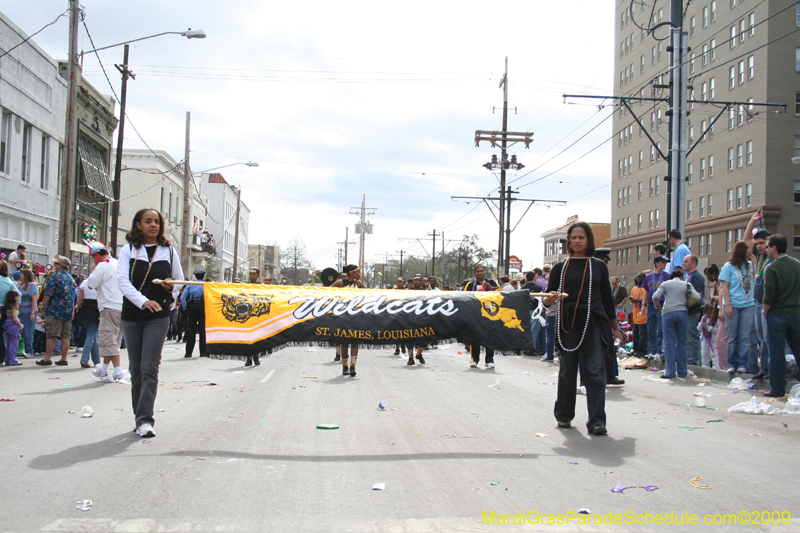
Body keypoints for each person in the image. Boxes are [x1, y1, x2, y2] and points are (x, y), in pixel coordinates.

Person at [544, 221, 622, 436]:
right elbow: (546, 300)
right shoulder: (560, 267)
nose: (577, 241)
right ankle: (564, 416)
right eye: (573, 237)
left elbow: (607, 299)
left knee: (595, 373)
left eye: (581, 237)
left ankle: (597, 421)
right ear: (569, 241)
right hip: (568, 324)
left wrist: (615, 328)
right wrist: (551, 299)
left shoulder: (598, 266)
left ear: (589, 240)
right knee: (567, 372)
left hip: (594, 324)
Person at [117, 208, 183, 438]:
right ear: (138, 225)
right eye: (148, 221)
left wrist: (170, 287)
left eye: (156, 222)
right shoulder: (127, 251)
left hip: (158, 317)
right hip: (132, 316)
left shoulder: (169, 251)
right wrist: (143, 302)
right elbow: (123, 283)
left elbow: (178, 282)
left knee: (149, 368)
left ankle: (146, 420)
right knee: (135, 369)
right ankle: (139, 417)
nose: (153, 225)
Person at [762, 234, 800, 397]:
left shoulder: (771, 268)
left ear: (774, 248)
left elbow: (769, 294)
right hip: (796, 313)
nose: (766, 249)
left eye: (768, 246)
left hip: (777, 315)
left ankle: (777, 389)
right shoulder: (797, 264)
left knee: (777, 353)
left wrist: (765, 311)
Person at [87, 244, 126, 382]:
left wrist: (93, 271)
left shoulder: (103, 265)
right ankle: (104, 369)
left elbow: (91, 283)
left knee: (108, 340)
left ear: (96, 256)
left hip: (109, 306)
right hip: (121, 306)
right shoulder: (117, 263)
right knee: (114, 339)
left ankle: (117, 371)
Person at [653, 269, 701, 379]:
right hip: (683, 313)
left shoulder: (665, 284)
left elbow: (655, 297)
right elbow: (697, 297)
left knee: (669, 343)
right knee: (682, 342)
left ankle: (670, 372)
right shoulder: (686, 284)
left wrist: (657, 307)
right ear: (681, 276)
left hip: (668, 313)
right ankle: (682, 371)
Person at [718, 241, 755, 374]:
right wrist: (727, 305)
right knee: (733, 336)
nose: (751, 252)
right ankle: (732, 363)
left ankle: (743, 363)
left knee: (745, 336)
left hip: (748, 305)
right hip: (732, 304)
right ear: (742, 251)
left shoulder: (750, 266)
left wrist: (755, 263)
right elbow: (724, 287)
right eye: (748, 250)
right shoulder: (729, 267)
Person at [744, 209, 771, 379]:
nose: (759, 246)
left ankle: (768, 369)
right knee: (760, 337)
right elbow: (747, 240)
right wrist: (752, 221)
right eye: (758, 243)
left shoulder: (771, 259)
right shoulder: (758, 257)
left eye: (762, 243)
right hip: (757, 301)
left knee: (768, 338)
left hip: (766, 303)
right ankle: (763, 369)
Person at [35, 256, 76, 366]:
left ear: (60, 265)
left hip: (55, 310)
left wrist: (43, 305)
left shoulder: (55, 277)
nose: (54, 265)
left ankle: (47, 358)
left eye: (56, 264)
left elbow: (48, 293)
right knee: (65, 336)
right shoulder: (70, 278)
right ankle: (64, 358)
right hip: (68, 311)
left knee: (51, 334)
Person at [331, 264, 366, 375]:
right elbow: (326, 294)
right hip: (343, 317)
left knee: (355, 341)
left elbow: (371, 295)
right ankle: (345, 366)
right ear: (352, 273)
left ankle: (353, 366)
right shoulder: (340, 283)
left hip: (356, 317)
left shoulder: (359, 284)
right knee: (344, 342)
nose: (360, 274)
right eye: (358, 272)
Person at [464, 265, 496, 369]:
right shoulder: (470, 285)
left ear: (485, 272)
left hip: (489, 314)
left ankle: (490, 360)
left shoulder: (492, 282)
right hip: (475, 314)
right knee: (475, 337)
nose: (480, 273)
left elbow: (501, 293)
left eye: (482, 271)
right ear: (475, 273)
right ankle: (474, 359)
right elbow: (464, 297)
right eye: (478, 271)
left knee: (490, 337)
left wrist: (490, 289)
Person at [643, 256, 669, 360]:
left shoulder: (667, 276)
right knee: (651, 328)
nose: (665, 264)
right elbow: (646, 291)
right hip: (651, 304)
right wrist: (643, 305)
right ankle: (651, 351)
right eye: (663, 262)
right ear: (657, 263)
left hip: (661, 303)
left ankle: (659, 351)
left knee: (660, 328)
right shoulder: (649, 276)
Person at [683, 255, 705, 366]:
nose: (683, 264)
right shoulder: (686, 276)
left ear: (693, 263)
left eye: (686, 261)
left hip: (693, 311)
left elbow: (697, 295)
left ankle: (693, 362)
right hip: (686, 311)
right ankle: (687, 360)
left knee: (692, 337)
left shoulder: (697, 277)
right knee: (686, 337)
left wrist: (690, 311)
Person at [181, 268, 207, 359]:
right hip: (202, 307)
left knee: (191, 330)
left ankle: (188, 353)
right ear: (203, 276)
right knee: (202, 330)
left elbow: (182, 298)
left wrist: (185, 309)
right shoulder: (205, 285)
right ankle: (203, 352)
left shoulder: (190, 285)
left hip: (192, 307)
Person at [76, 275, 100, 368]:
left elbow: (80, 298)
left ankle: (97, 361)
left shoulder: (85, 282)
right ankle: (84, 360)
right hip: (95, 308)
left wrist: (77, 309)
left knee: (92, 334)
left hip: (85, 308)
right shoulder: (99, 283)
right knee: (91, 334)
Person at [707, 264, 728, 370]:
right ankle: (720, 364)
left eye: (709, 275)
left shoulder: (720, 282)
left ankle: (723, 366)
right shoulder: (717, 283)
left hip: (722, 312)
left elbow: (722, 295)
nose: (708, 278)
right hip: (718, 312)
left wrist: (714, 298)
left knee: (719, 340)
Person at [0, 260, 21, 364]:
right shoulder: (8, 280)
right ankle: (3, 357)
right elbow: (19, 294)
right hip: (5, 308)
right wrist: (15, 307)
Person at [16, 268, 39, 358]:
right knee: (17, 332)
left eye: (21, 274)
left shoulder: (31, 285)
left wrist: (32, 313)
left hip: (28, 311)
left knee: (28, 332)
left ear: (25, 275)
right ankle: (17, 350)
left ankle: (29, 350)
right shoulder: (18, 285)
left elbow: (34, 300)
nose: (20, 275)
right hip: (19, 312)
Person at [629, 273, 648, 357]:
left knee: (642, 334)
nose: (638, 279)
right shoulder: (634, 289)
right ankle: (635, 349)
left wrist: (636, 300)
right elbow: (632, 299)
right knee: (635, 334)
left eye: (640, 277)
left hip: (643, 316)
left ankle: (642, 350)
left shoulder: (645, 290)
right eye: (637, 277)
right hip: (635, 316)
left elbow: (645, 301)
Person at [3, 291, 23, 366]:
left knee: (9, 344)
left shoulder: (7, 307)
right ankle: (13, 359)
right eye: (17, 297)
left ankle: (8, 359)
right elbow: (15, 318)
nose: (18, 299)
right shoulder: (13, 308)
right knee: (14, 344)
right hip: (14, 327)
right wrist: (20, 325)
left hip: (8, 327)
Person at [699, 305, 720, 369]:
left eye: (711, 313)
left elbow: (717, 330)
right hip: (704, 338)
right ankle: (705, 366)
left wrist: (708, 328)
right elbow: (699, 328)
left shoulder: (716, 319)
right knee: (704, 353)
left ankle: (716, 366)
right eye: (708, 314)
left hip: (713, 339)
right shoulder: (704, 318)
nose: (710, 315)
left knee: (714, 353)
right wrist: (701, 325)